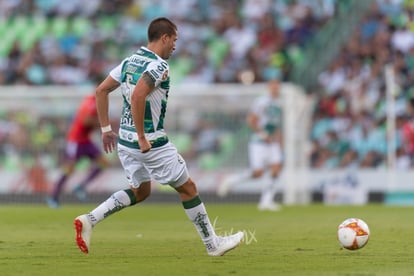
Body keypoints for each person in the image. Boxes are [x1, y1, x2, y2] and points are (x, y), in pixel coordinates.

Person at [73, 17, 244, 256]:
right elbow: (138, 96)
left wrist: (105, 130)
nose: (175, 45)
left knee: (141, 191)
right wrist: (143, 137)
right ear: (164, 38)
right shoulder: (158, 66)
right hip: (150, 143)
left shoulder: (129, 61)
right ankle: (212, 245)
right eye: (174, 40)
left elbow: (101, 90)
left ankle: (90, 219)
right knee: (188, 188)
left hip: (125, 142)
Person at [217, 79, 283, 211]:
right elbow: (251, 120)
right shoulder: (261, 102)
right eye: (274, 87)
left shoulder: (278, 104)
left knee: (276, 167)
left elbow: (275, 126)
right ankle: (231, 180)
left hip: (272, 142)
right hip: (259, 142)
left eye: (278, 87)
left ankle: (266, 201)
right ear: (269, 88)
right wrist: (263, 134)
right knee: (257, 173)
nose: (276, 89)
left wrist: (278, 139)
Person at [46, 93, 109, 208]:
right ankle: (53, 196)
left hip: (86, 140)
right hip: (75, 140)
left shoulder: (94, 100)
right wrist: (104, 123)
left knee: (103, 163)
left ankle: (81, 187)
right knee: (69, 168)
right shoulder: (92, 101)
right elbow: (86, 120)